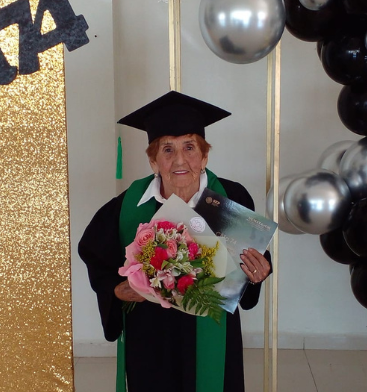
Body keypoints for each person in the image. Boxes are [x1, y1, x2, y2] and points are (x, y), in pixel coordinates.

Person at [78, 91, 272, 392]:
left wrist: (259, 272)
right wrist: (116, 290)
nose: (180, 160)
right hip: (151, 335)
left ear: (204, 155)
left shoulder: (230, 198)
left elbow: (251, 260)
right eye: (167, 149)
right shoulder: (129, 205)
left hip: (213, 327)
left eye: (190, 147)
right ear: (153, 160)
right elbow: (94, 255)